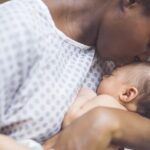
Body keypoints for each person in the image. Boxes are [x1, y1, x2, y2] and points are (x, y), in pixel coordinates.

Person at [0, 0, 150, 149]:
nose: (145, 58)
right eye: (149, 44)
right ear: (131, 2)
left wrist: (111, 121)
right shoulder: (15, 28)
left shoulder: (119, 59)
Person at [44, 62, 150, 150]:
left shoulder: (108, 103)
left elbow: (71, 121)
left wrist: (84, 93)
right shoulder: (129, 129)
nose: (103, 76)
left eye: (111, 75)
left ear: (127, 94)